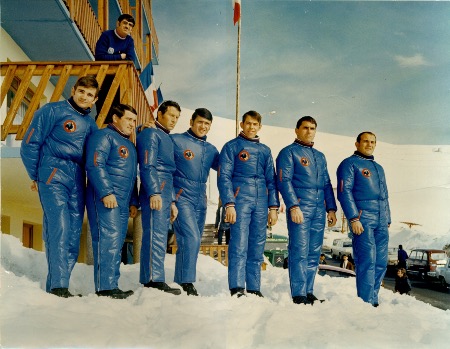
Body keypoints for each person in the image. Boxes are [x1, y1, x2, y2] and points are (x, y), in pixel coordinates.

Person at [20, 76, 99, 297]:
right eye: (81, 91)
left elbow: (97, 154)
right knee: (60, 226)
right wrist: (35, 175)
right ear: (73, 90)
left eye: (89, 94)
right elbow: (30, 144)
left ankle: (58, 285)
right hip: (53, 171)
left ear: (94, 100)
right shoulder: (51, 111)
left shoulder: (91, 125)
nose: (84, 97)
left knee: (74, 233)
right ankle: (58, 286)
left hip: (76, 178)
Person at [218, 110, 279, 297]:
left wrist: (273, 207)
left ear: (260, 126)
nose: (251, 127)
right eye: (248, 123)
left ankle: (253, 287)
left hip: (261, 200)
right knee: (239, 243)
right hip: (240, 199)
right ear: (241, 124)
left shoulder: (265, 151)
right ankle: (236, 286)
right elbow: (224, 177)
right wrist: (229, 203)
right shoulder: (232, 147)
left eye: (255, 124)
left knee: (257, 244)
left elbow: (271, 180)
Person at [276, 116, 337, 305]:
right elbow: (283, 181)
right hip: (301, 208)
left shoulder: (320, 156)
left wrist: (331, 209)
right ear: (296, 130)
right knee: (299, 250)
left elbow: (327, 183)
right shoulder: (288, 153)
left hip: (319, 209)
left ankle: (309, 290)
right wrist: (293, 205)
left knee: (313, 252)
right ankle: (299, 293)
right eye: (305, 128)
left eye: (312, 128)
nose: (309, 131)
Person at [85, 104, 139, 299]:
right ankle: (105, 287)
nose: (133, 124)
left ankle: (111, 284)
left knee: (116, 241)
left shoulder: (129, 145)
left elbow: (132, 177)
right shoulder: (103, 137)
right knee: (107, 239)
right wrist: (106, 192)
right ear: (115, 118)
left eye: (134, 121)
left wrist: (133, 201)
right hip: (105, 198)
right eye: (129, 119)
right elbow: (95, 164)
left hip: (123, 201)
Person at [337, 131, 391, 307]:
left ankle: (373, 298)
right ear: (357, 143)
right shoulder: (349, 164)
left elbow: (385, 195)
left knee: (381, 261)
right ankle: (366, 302)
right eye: (366, 141)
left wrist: (387, 218)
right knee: (367, 260)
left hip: (381, 219)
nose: (369, 145)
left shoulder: (379, 167)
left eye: (373, 142)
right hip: (363, 218)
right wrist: (353, 218)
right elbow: (344, 192)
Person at [170, 108, 219, 296]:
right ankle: (186, 282)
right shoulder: (176, 141)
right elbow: (156, 144)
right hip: (182, 195)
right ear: (191, 121)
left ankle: (182, 279)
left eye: (207, 124)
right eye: (200, 122)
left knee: (192, 242)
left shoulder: (211, 150)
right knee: (191, 237)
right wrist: (145, 128)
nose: (203, 127)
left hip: (200, 198)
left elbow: (227, 166)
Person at [136, 100, 181, 295]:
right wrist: (154, 191)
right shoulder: (151, 133)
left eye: (177, 117)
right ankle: (153, 279)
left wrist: (171, 200)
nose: (174, 120)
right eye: (171, 115)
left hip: (165, 186)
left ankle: (153, 277)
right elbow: (147, 165)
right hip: (156, 186)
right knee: (155, 232)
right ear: (159, 113)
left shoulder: (164, 136)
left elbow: (169, 172)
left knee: (160, 233)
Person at [94, 14, 136, 119]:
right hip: (103, 76)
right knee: (102, 108)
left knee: (117, 109)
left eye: (130, 25)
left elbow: (130, 60)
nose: (127, 26)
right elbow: (99, 57)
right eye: (125, 23)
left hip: (119, 78)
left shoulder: (129, 41)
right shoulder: (107, 35)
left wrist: (111, 57)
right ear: (118, 23)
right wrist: (120, 56)